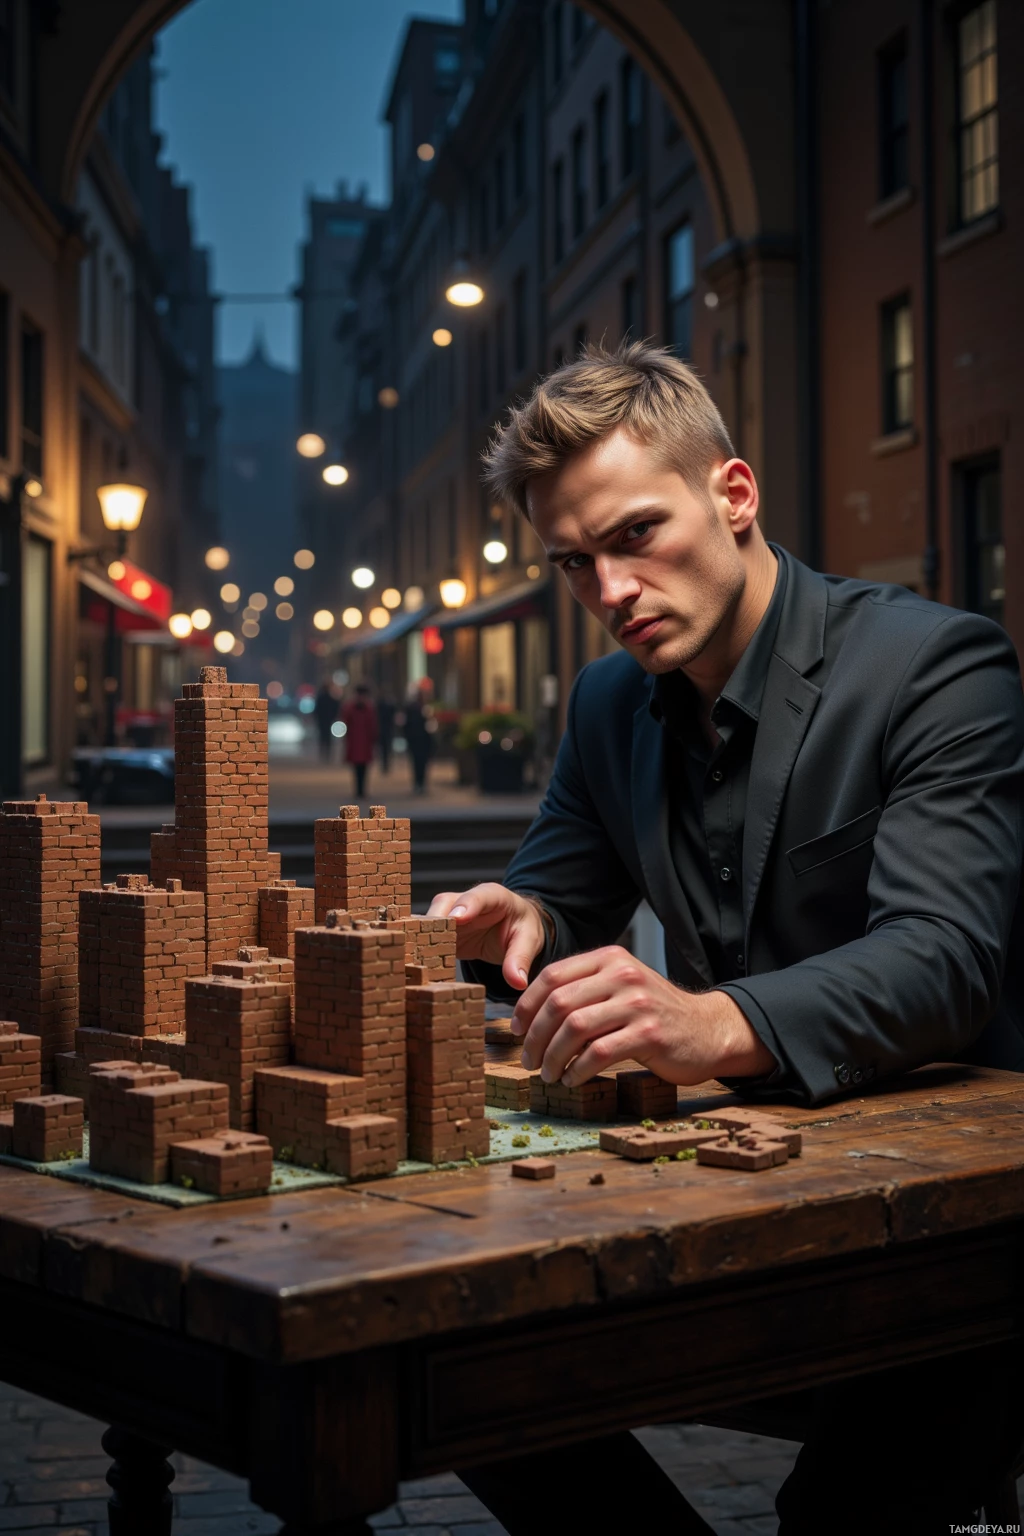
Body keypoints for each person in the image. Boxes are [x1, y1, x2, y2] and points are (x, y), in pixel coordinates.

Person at [427, 341, 1024, 1535]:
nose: (609, 590)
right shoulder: (607, 705)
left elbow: (945, 961)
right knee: (459, 1388)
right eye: (574, 563)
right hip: (734, 1206)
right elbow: (558, 900)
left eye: (636, 534)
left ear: (732, 495)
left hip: (965, 1236)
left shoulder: (936, 668)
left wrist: (709, 1022)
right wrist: (517, 921)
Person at [340, 683, 378, 801]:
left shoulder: (367, 708)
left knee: (364, 768)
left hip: (364, 743)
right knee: (357, 768)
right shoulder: (352, 708)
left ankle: (362, 790)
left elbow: (373, 726)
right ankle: (358, 790)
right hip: (356, 742)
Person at [402, 679, 433, 794]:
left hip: (418, 740)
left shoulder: (422, 708)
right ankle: (419, 783)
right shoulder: (418, 708)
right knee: (419, 763)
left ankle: (419, 783)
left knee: (419, 763)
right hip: (419, 740)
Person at [312, 680, 338, 763]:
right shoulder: (330, 698)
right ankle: (327, 755)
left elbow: (316, 710)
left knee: (323, 738)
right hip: (328, 720)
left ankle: (324, 754)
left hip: (322, 721)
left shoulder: (320, 698)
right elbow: (335, 708)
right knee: (328, 738)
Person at [376, 692, 396, 776]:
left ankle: (385, 765)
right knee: (386, 749)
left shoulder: (380, 706)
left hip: (384, 730)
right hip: (386, 730)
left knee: (384, 749)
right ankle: (385, 765)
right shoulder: (389, 707)